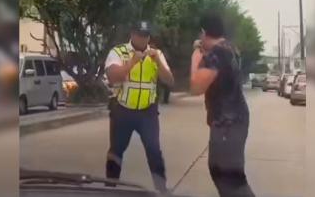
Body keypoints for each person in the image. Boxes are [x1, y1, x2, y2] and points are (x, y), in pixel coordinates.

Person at [190, 12, 255, 197]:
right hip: (232, 121)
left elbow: (196, 87)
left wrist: (195, 59)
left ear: (204, 32)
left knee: (230, 178)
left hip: (228, 124)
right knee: (219, 171)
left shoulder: (217, 54)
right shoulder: (229, 48)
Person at [104, 21, 174, 193]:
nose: (143, 39)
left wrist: (158, 61)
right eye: (139, 35)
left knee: (154, 151)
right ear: (132, 34)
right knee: (116, 151)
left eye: (146, 35)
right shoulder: (118, 52)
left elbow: (169, 81)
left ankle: (161, 189)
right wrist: (132, 61)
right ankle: (110, 188)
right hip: (122, 109)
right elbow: (113, 77)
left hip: (147, 112)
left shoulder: (156, 54)